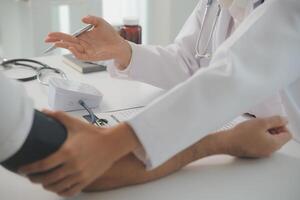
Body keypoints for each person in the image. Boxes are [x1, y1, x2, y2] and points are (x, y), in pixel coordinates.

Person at [17, 0, 300, 197]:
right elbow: (189, 61)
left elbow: (235, 71)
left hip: (289, 146)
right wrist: (123, 51)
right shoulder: (215, 3)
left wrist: (115, 140)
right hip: (251, 141)